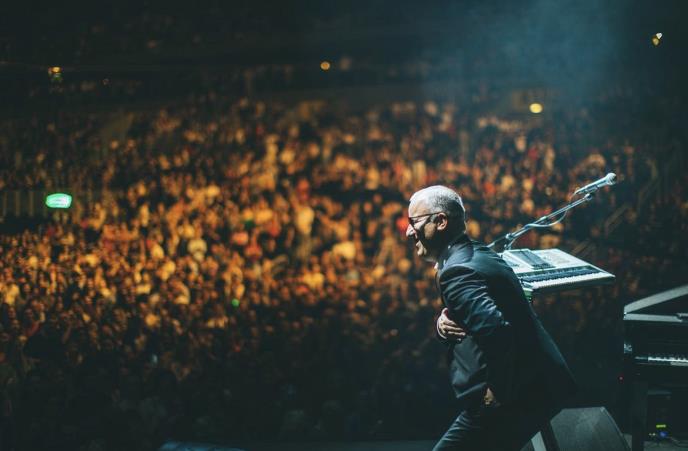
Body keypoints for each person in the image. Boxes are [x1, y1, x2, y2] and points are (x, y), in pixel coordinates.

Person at [405, 185, 576, 451]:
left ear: (441, 221)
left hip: (516, 394)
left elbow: (497, 331)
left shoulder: (457, 272)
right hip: (540, 382)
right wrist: (442, 325)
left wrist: (494, 392)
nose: (408, 231)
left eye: (413, 221)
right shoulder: (477, 253)